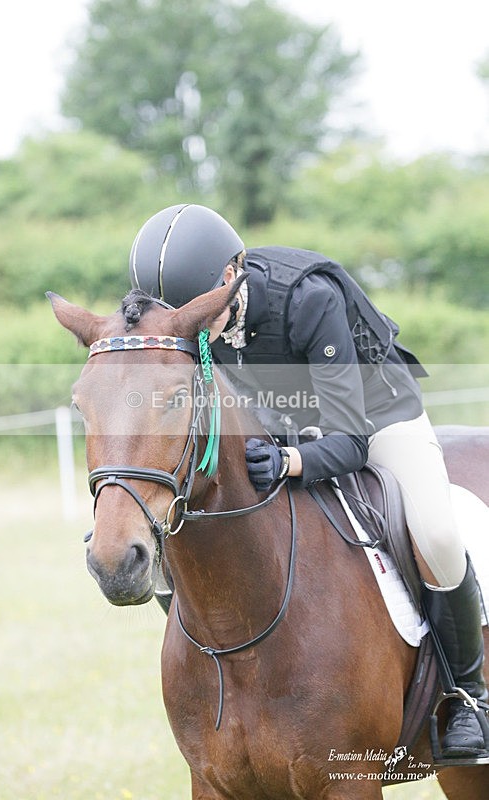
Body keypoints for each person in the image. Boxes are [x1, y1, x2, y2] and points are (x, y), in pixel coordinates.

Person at [129, 202, 488, 761]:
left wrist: (291, 464)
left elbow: (348, 440)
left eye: (200, 313)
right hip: (278, 422)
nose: (192, 329)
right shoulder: (194, 320)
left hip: (374, 416)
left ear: (230, 277)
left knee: (438, 533)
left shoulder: (307, 299)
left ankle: (469, 697)